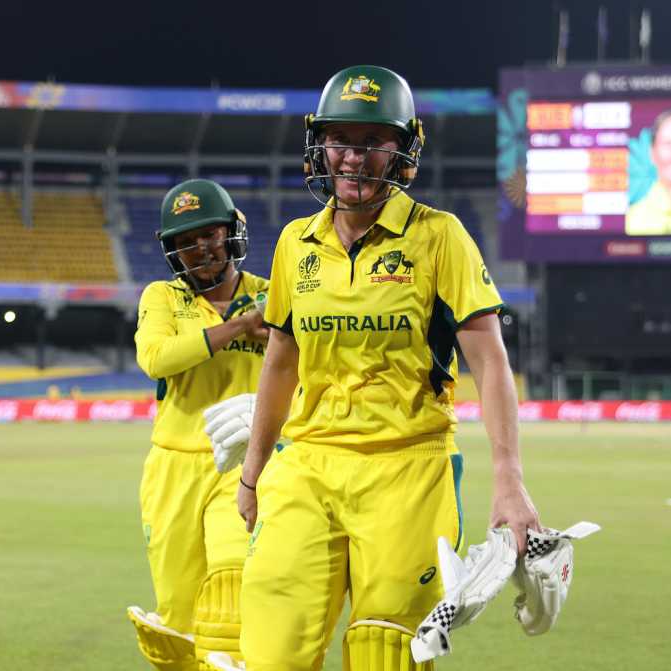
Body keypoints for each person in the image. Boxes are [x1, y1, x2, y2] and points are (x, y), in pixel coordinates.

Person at [231, 65, 541, 671]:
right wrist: (253, 471)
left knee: (385, 652)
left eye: (373, 142)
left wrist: (509, 476)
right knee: (269, 654)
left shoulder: (440, 237)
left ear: (402, 150)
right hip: (308, 467)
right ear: (320, 145)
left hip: (409, 469)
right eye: (340, 140)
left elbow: (489, 359)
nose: (353, 158)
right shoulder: (296, 242)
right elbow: (280, 364)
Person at [127, 178, 269, 670]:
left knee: (230, 590)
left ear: (232, 233)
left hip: (243, 463)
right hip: (171, 468)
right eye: (186, 241)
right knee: (179, 617)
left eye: (208, 234)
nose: (200, 248)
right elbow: (156, 357)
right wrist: (237, 328)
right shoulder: (162, 297)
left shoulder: (274, 297)